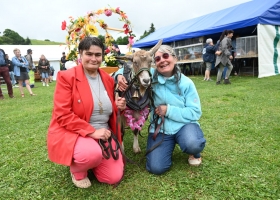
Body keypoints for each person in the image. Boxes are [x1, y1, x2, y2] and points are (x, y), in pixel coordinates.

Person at [47, 37, 126, 188]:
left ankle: (93, 158)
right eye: (89, 54)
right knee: (90, 155)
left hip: (104, 132)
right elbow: (62, 114)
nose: (94, 59)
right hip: (76, 132)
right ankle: (78, 170)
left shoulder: (108, 80)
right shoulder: (66, 77)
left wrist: (118, 107)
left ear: (103, 56)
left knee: (113, 177)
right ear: (80, 55)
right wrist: (91, 132)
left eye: (98, 55)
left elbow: (106, 109)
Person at [116, 44, 206, 175]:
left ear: (174, 59)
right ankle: (170, 144)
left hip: (184, 125)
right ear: (154, 64)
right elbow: (134, 68)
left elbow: (195, 112)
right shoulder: (150, 75)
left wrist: (168, 110)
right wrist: (119, 76)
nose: (162, 60)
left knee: (192, 143)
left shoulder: (186, 83)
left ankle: (194, 151)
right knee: (156, 167)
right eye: (157, 59)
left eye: (166, 56)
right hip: (161, 128)